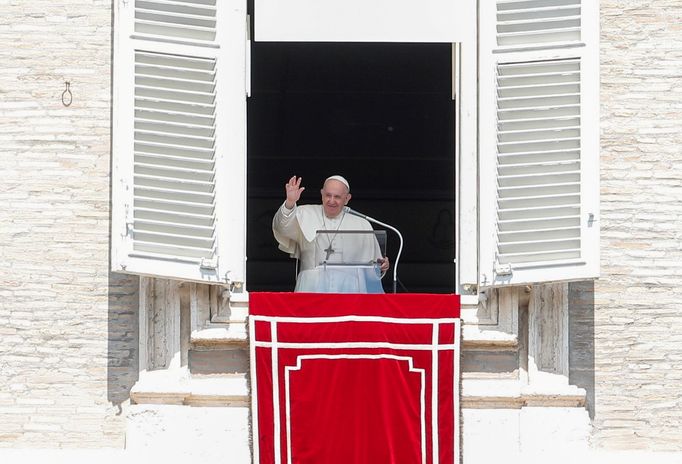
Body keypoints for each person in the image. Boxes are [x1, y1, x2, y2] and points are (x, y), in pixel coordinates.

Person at [272, 175, 390, 292]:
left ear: (347, 198)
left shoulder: (362, 224)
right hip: (311, 287)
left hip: (350, 289)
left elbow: (373, 270)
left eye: (337, 197)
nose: (331, 201)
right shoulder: (304, 213)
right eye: (328, 195)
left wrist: (382, 266)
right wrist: (290, 203)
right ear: (322, 194)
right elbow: (281, 227)